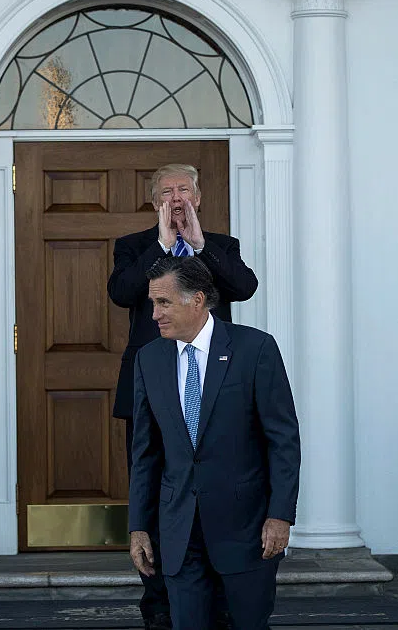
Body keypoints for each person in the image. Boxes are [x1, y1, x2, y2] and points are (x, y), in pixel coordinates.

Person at [107, 163, 258, 629]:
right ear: (155, 200)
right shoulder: (134, 246)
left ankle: (218, 598)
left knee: (214, 486)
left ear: (198, 198)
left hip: (215, 392)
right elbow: (122, 293)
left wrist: (199, 244)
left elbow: (244, 287)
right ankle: (159, 605)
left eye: (185, 190)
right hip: (153, 389)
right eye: (168, 191)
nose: (177, 198)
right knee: (154, 487)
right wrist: (160, 243)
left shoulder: (220, 246)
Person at [128, 256, 300, 630]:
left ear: (197, 300)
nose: (154, 314)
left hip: (246, 531)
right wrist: (138, 526)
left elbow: (283, 441)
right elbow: (145, 453)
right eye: (153, 303)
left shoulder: (255, 349)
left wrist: (280, 515)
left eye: (163, 302)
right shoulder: (148, 359)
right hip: (178, 531)